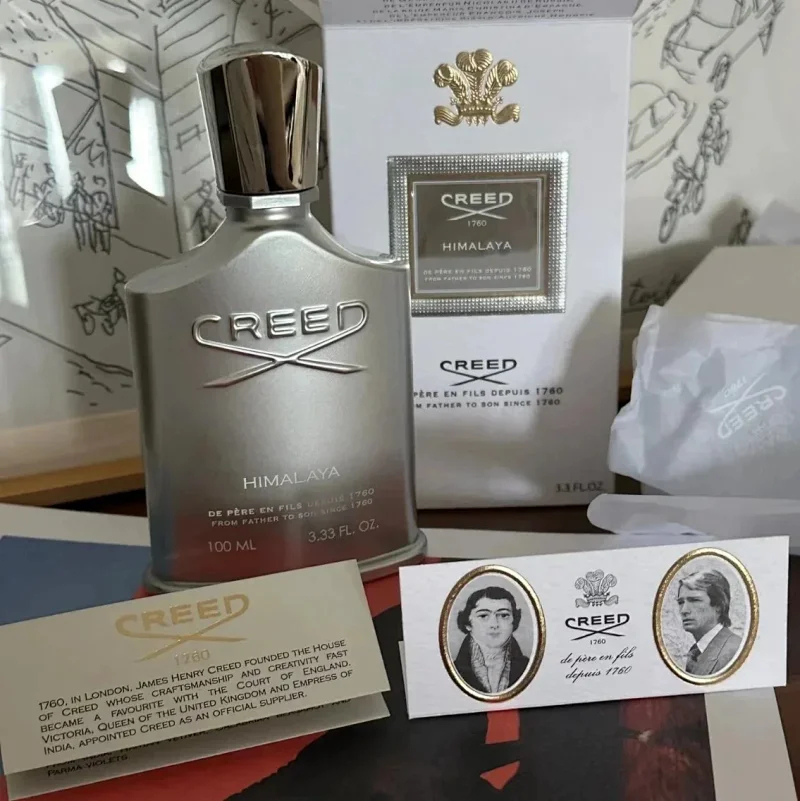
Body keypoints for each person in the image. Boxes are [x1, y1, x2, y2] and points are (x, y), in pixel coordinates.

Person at [453, 585, 529, 695]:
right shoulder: (455, 670)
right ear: (468, 624)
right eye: (483, 616)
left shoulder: (527, 668)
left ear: (514, 621)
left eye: (504, 615)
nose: (494, 624)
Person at [676, 569, 742, 676]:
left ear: (719, 606)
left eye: (694, 600)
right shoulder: (695, 652)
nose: (684, 610)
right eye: (680, 602)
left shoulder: (734, 651)